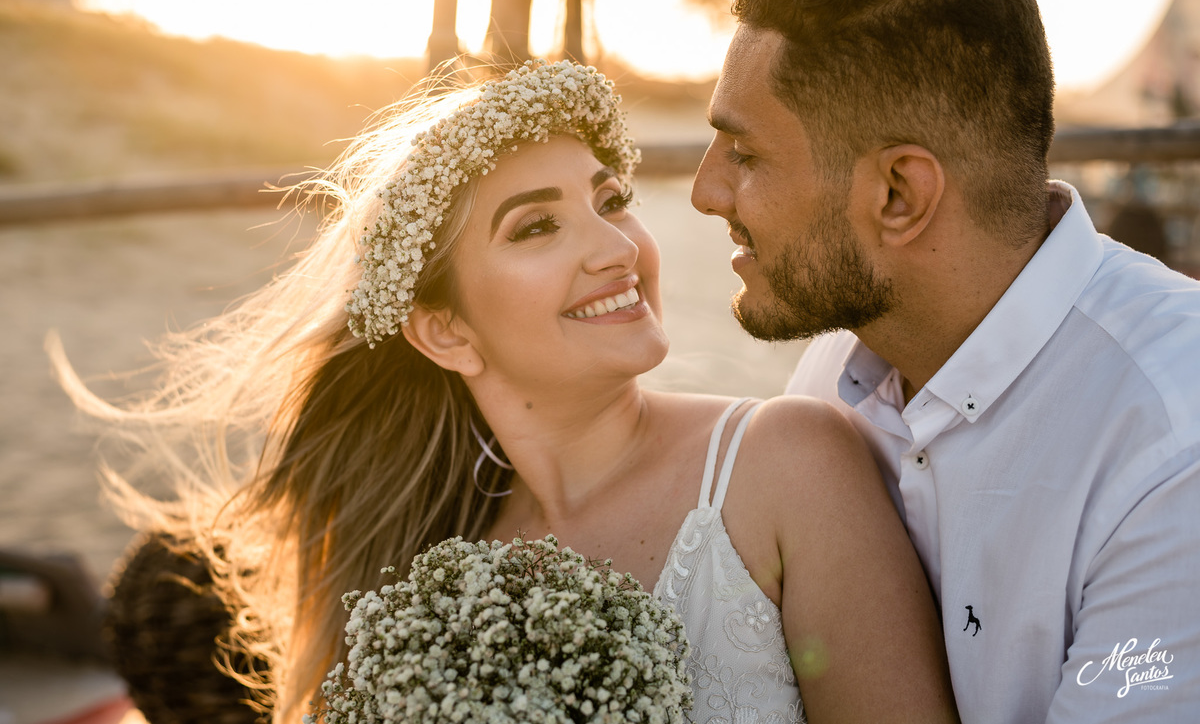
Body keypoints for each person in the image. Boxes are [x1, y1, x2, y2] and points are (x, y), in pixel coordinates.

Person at [54, 60, 957, 723]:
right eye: (536, 227)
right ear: (444, 329)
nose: (613, 246)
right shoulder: (419, 572)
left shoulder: (788, 464)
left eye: (609, 199)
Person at [691, 0, 1200, 721]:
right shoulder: (835, 369)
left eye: (744, 156)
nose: (705, 192)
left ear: (899, 194)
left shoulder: (1174, 443)